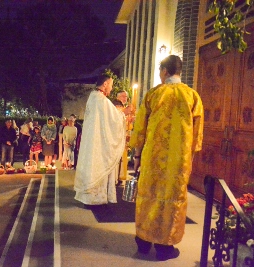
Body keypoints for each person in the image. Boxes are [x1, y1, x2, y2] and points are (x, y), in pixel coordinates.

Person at [130, 55, 204, 261]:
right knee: (172, 200)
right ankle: (165, 247)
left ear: (164, 71)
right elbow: (197, 136)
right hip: (177, 161)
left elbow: (139, 129)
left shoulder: (153, 94)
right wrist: (188, 156)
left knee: (148, 196)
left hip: (152, 158)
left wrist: (137, 156)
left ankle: (143, 242)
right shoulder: (192, 96)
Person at [74, 74, 128, 206]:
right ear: (105, 84)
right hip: (98, 143)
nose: (111, 88)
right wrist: (124, 114)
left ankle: (92, 196)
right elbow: (114, 118)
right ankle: (96, 198)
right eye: (110, 84)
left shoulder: (94, 97)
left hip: (93, 141)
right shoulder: (100, 100)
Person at [114, 90, 135, 186]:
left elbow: (127, 124)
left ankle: (120, 176)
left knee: (123, 158)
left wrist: (129, 120)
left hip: (124, 136)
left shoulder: (124, 108)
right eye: (122, 96)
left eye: (126, 96)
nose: (125, 98)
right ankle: (115, 177)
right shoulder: (116, 106)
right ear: (118, 97)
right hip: (117, 137)